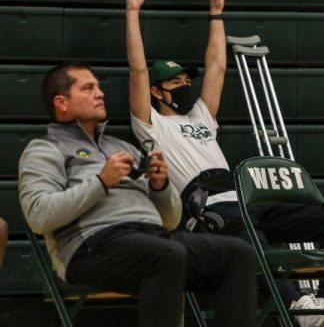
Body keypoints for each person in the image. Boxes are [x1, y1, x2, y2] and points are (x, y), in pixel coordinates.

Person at [124, 0, 324, 325]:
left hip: (243, 200)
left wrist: (216, 12)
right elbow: (137, 70)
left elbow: (216, 67)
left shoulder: (200, 117)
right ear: (156, 91)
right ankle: (299, 311)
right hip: (206, 211)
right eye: (176, 82)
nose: (184, 86)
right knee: (246, 232)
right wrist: (132, 12)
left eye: (185, 80)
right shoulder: (152, 125)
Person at [18, 63, 257, 327]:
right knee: (166, 255)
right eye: (88, 88)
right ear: (61, 103)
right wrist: (101, 182)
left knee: (237, 253)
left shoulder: (121, 147)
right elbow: (38, 216)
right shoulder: (45, 149)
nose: (100, 93)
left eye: (98, 86)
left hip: (153, 237)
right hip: (90, 248)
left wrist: (160, 186)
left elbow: (169, 219)